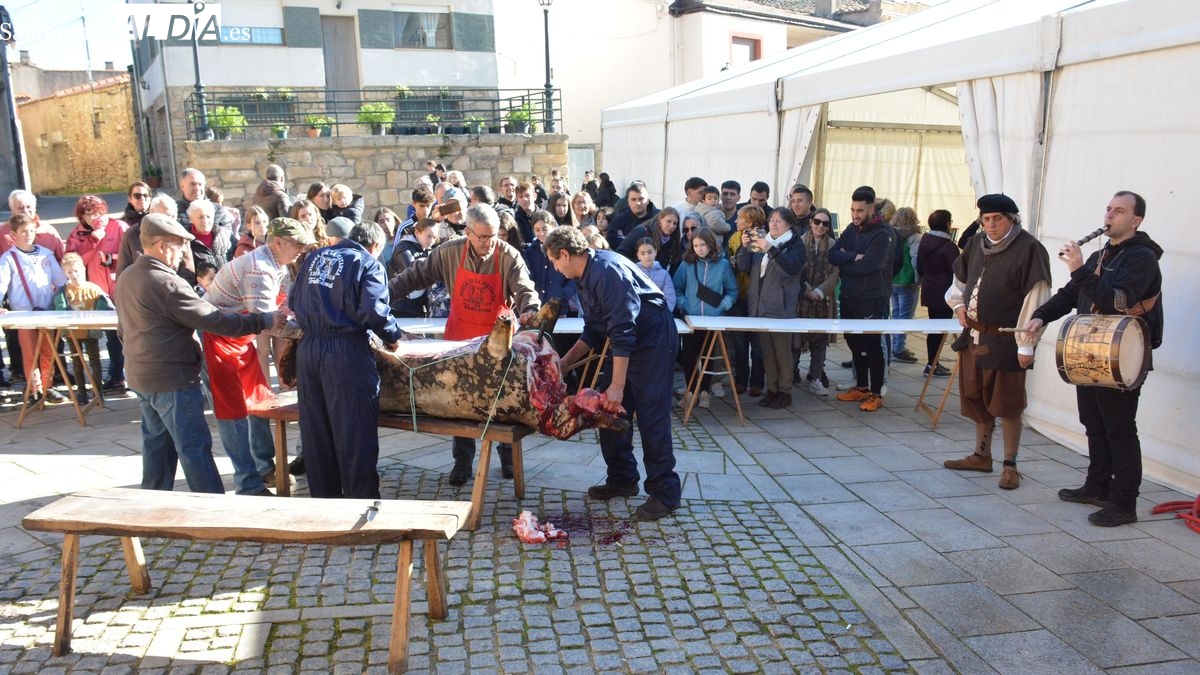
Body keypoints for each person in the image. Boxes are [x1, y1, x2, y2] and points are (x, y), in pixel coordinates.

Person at [114, 214, 282, 494]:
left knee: (158, 445)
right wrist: (262, 321)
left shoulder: (128, 276)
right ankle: (211, 507)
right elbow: (215, 320)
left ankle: (150, 503)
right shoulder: (166, 283)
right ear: (160, 245)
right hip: (172, 379)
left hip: (141, 375)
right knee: (193, 446)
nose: (182, 252)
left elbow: (122, 331)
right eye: (179, 246)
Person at [1024, 191, 1163, 526]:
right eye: (1108, 209)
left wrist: (1077, 267)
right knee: (1094, 423)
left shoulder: (1142, 258)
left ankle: (1124, 503)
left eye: (1119, 211)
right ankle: (1097, 485)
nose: (1110, 216)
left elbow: (1116, 302)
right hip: (1089, 351)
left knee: (1120, 429)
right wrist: (1041, 316)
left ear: (1136, 220)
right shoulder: (1101, 256)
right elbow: (1072, 295)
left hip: (1123, 356)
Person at [388, 204, 539, 485]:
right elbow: (414, 276)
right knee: (461, 404)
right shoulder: (448, 252)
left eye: (493, 235)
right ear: (468, 232)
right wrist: (382, 295)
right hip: (460, 344)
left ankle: (508, 457)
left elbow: (525, 288)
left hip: (498, 346)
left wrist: (530, 307)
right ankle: (462, 462)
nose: (489, 242)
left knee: (503, 405)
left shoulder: (508, 255)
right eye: (482, 237)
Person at [548, 226, 681, 521]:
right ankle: (623, 478)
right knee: (605, 412)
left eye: (555, 261)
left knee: (651, 416)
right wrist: (563, 363)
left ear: (566, 254)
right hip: (630, 341)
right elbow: (595, 330)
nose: (554, 268)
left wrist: (618, 386)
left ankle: (665, 494)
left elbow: (623, 330)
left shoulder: (606, 271)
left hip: (653, 339)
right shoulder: (585, 276)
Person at [941, 194, 1050, 491]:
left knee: (1008, 403)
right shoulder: (976, 243)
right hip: (974, 336)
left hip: (1006, 340)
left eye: (997, 219)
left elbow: (1036, 299)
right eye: (985, 219)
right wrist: (959, 307)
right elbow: (959, 283)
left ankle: (1010, 465)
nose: (990, 225)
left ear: (1011, 219)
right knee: (976, 397)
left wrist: (1026, 345)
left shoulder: (1030, 249)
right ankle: (981, 455)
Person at [289, 221, 401, 499]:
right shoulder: (367, 263)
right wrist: (393, 336)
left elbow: (293, 301)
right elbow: (374, 311)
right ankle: (360, 502)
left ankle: (325, 502)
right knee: (354, 430)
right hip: (345, 351)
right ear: (375, 246)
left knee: (317, 430)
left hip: (309, 347)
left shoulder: (315, 257)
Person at [204, 217, 315, 495]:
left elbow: (282, 309)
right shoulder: (259, 269)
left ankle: (264, 467)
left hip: (238, 338)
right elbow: (271, 323)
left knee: (259, 401)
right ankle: (247, 482)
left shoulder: (275, 263)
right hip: (218, 340)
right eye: (296, 243)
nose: (301, 248)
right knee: (233, 412)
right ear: (276, 242)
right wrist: (312, 334)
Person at [829, 186, 894, 412]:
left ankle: (876, 393)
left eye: (860, 210)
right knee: (855, 344)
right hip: (849, 297)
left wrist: (846, 265)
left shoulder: (882, 234)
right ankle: (861, 387)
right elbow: (833, 255)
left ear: (871, 207)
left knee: (872, 346)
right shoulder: (851, 229)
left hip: (871, 299)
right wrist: (851, 257)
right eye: (852, 210)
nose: (855, 215)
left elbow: (870, 266)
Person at [736, 208, 806, 408]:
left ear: (789, 224)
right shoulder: (762, 239)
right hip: (760, 305)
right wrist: (744, 247)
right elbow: (743, 266)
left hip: (781, 307)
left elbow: (791, 269)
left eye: (779, 221)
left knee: (782, 351)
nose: (773, 224)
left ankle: (785, 391)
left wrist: (771, 249)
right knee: (766, 351)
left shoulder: (794, 244)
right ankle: (772, 389)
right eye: (771, 220)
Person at [0, 214, 68, 403]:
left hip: (45, 310)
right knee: (30, 352)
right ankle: (34, 387)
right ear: (14, 235)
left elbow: (60, 281)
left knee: (48, 350)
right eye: (23, 232)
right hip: (24, 313)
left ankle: (48, 386)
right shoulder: (9, 258)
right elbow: (1, 284)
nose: (28, 234)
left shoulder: (46, 254)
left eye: (31, 230)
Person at [65, 195, 128, 391]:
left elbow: (130, 253)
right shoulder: (77, 234)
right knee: (110, 336)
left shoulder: (118, 227)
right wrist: (93, 241)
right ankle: (116, 376)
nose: (93, 218)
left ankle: (125, 374)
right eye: (87, 214)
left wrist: (112, 257)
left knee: (127, 334)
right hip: (96, 293)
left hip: (121, 288)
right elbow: (74, 261)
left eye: (97, 212)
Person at [673, 227, 738, 409]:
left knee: (708, 356)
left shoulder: (723, 265)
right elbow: (676, 287)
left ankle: (705, 392)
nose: (699, 249)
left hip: (713, 319)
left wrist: (723, 305)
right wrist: (683, 304)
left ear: (710, 244)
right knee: (690, 356)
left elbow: (732, 290)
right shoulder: (687, 264)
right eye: (695, 245)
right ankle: (691, 391)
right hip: (691, 319)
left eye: (702, 245)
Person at [52, 253, 112, 404]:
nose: (74, 275)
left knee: (95, 362)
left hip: (91, 330)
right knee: (77, 362)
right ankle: (81, 393)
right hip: (73, 333)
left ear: (82, 269)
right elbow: (57, 308)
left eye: (76, 271)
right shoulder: (64, 292)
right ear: (65, 273)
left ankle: (98, 392)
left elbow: (108, 305)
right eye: (69, 272)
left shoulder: (93, 289)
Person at [798, 207, 839, 396]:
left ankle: (815, 377)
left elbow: (835, 274)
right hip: (801, 299)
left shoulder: (833, 245)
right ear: (811, 222)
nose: (820, 226)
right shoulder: (798, 243)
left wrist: (820, 292)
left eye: (825, 223)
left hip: (823, 301)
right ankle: (791, 373)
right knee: (797, 339)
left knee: (820, 341)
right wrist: (807, 290)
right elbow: (796, 270)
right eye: (817, 222)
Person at [726, 205, 766, 397]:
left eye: (740, 218)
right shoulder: (735, 236)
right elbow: (733, 261)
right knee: (740, 342)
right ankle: (740, 379)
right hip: (738, 296)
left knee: (757, 344)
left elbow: (748, 267)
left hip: (755, 298)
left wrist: (744, 248)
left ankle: (757, 382)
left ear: (750, 222)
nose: (735, 221)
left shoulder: (759, 238)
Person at [916, 209, 958, 376]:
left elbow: (919, 266)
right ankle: (932, 364)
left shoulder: (924, 241)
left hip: (929, 288)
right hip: (945, 291)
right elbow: (956, 272)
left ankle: (931, 363)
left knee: (934, 327)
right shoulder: (949, 246)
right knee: (940, 330)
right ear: (947, 224)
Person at [890, 206, 923, 363]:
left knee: (895, 313)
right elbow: (916, 259)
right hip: (908, 282)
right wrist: (918, 279)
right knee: (906, 316)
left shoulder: (891, 234)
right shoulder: (915, 236)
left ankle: (892, 345)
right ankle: (899, 348)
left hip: (893, 280)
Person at [389, 218, 435, 317]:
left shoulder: (427, 249)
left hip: (416, 306)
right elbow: (411, 272)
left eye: (434, 237)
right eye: (428, 236)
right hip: (400, 306)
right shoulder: (403, 248)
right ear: (417, 233)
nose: (431, 240)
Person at [616, 207, 683, 275]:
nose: (671, 226)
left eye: (675, 223)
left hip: (656, 282)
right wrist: (635, 270)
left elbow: (675, 262)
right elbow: (621, 253)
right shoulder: (642, 231)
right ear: (660, 219)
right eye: (668, 221)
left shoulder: (673, 241)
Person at [606, 183, 659, 250]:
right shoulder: (619, 220)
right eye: (633, 199)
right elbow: (612, 240)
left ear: (648, 201)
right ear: (628, 201)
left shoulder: (658, 218)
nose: (637, 203)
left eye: (641, 199)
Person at [634, 238, 676, 312]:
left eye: (650, 252)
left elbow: (670, 299)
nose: (647, 256)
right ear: (638, 255)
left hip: (659, 317)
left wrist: (663, 316)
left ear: (655, 252)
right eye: (642, 253)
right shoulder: (633, 273)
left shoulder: (664, 274)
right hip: (639, 318)